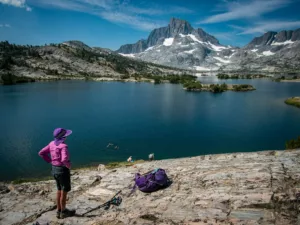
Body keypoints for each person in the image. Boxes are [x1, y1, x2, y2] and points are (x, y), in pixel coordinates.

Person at [38, 128, 75, 219]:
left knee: (59, 190)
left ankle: (58, 211)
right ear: (64, 137)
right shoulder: (63, 146)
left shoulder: (51, 144)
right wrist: (68, 165)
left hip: (54, 169)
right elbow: (64, 159)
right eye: (66, 135)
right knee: (64, 191)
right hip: (62, 170)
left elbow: (41, 153)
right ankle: (64, 211)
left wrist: (50, 161)